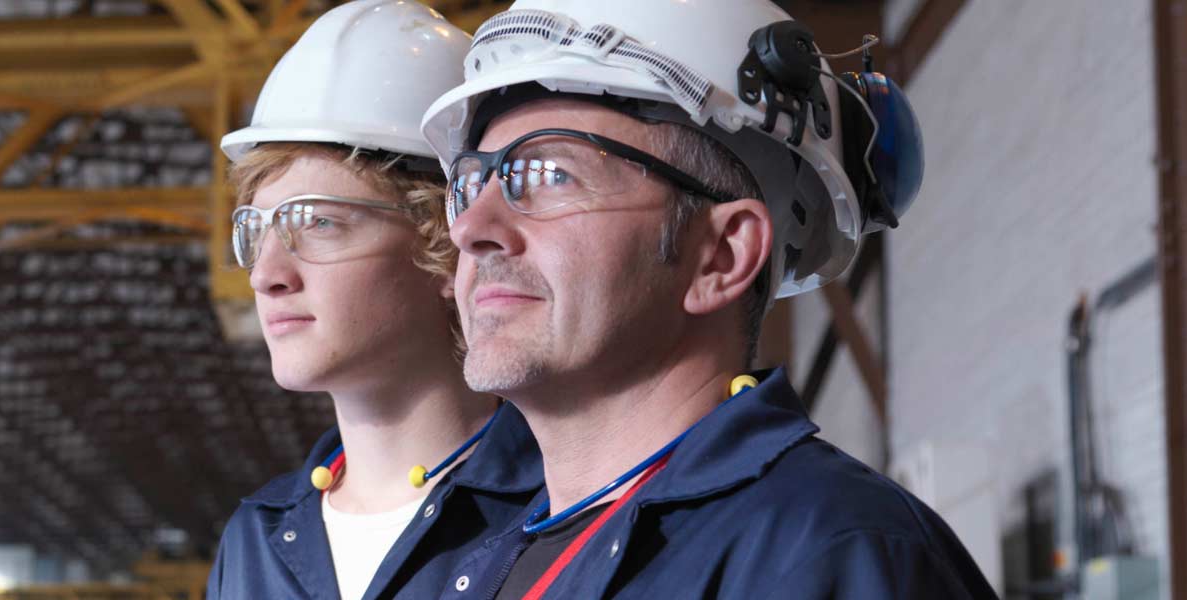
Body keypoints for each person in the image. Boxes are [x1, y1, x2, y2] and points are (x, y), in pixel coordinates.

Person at [411, 0, 993, 597]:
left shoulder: (834, 553)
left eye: (550, 174)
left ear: (722, 255)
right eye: (471, 183)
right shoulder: (476, 566)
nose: (469, 229)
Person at [205, 2, 541, 598]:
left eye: (318, 224)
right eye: (255, 230)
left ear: (449, 245)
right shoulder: (257, 538)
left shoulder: (561, 512)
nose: (266, 276)